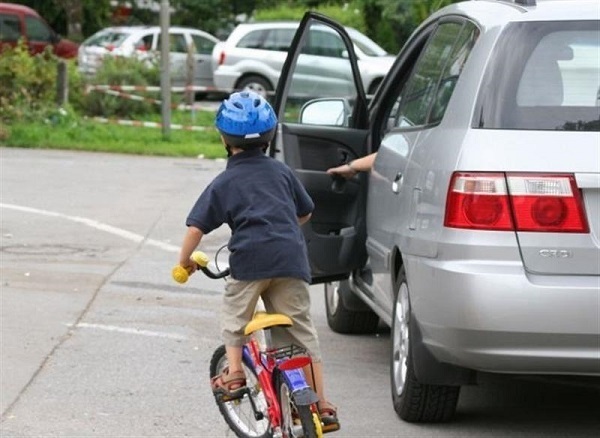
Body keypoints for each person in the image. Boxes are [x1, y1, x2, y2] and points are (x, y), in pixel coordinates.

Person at [177, 91, 339, 428]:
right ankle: (321, 403)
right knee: (301, 335)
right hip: (290, 262)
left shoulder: (225, 181)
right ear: (269, 136)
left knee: (234, 319)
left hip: (249, 263)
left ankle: (235, 374)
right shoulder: (281, 172)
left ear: (224, 137)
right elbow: (305, 213)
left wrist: (185, 262)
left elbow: (196, 228)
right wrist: (281, 225)